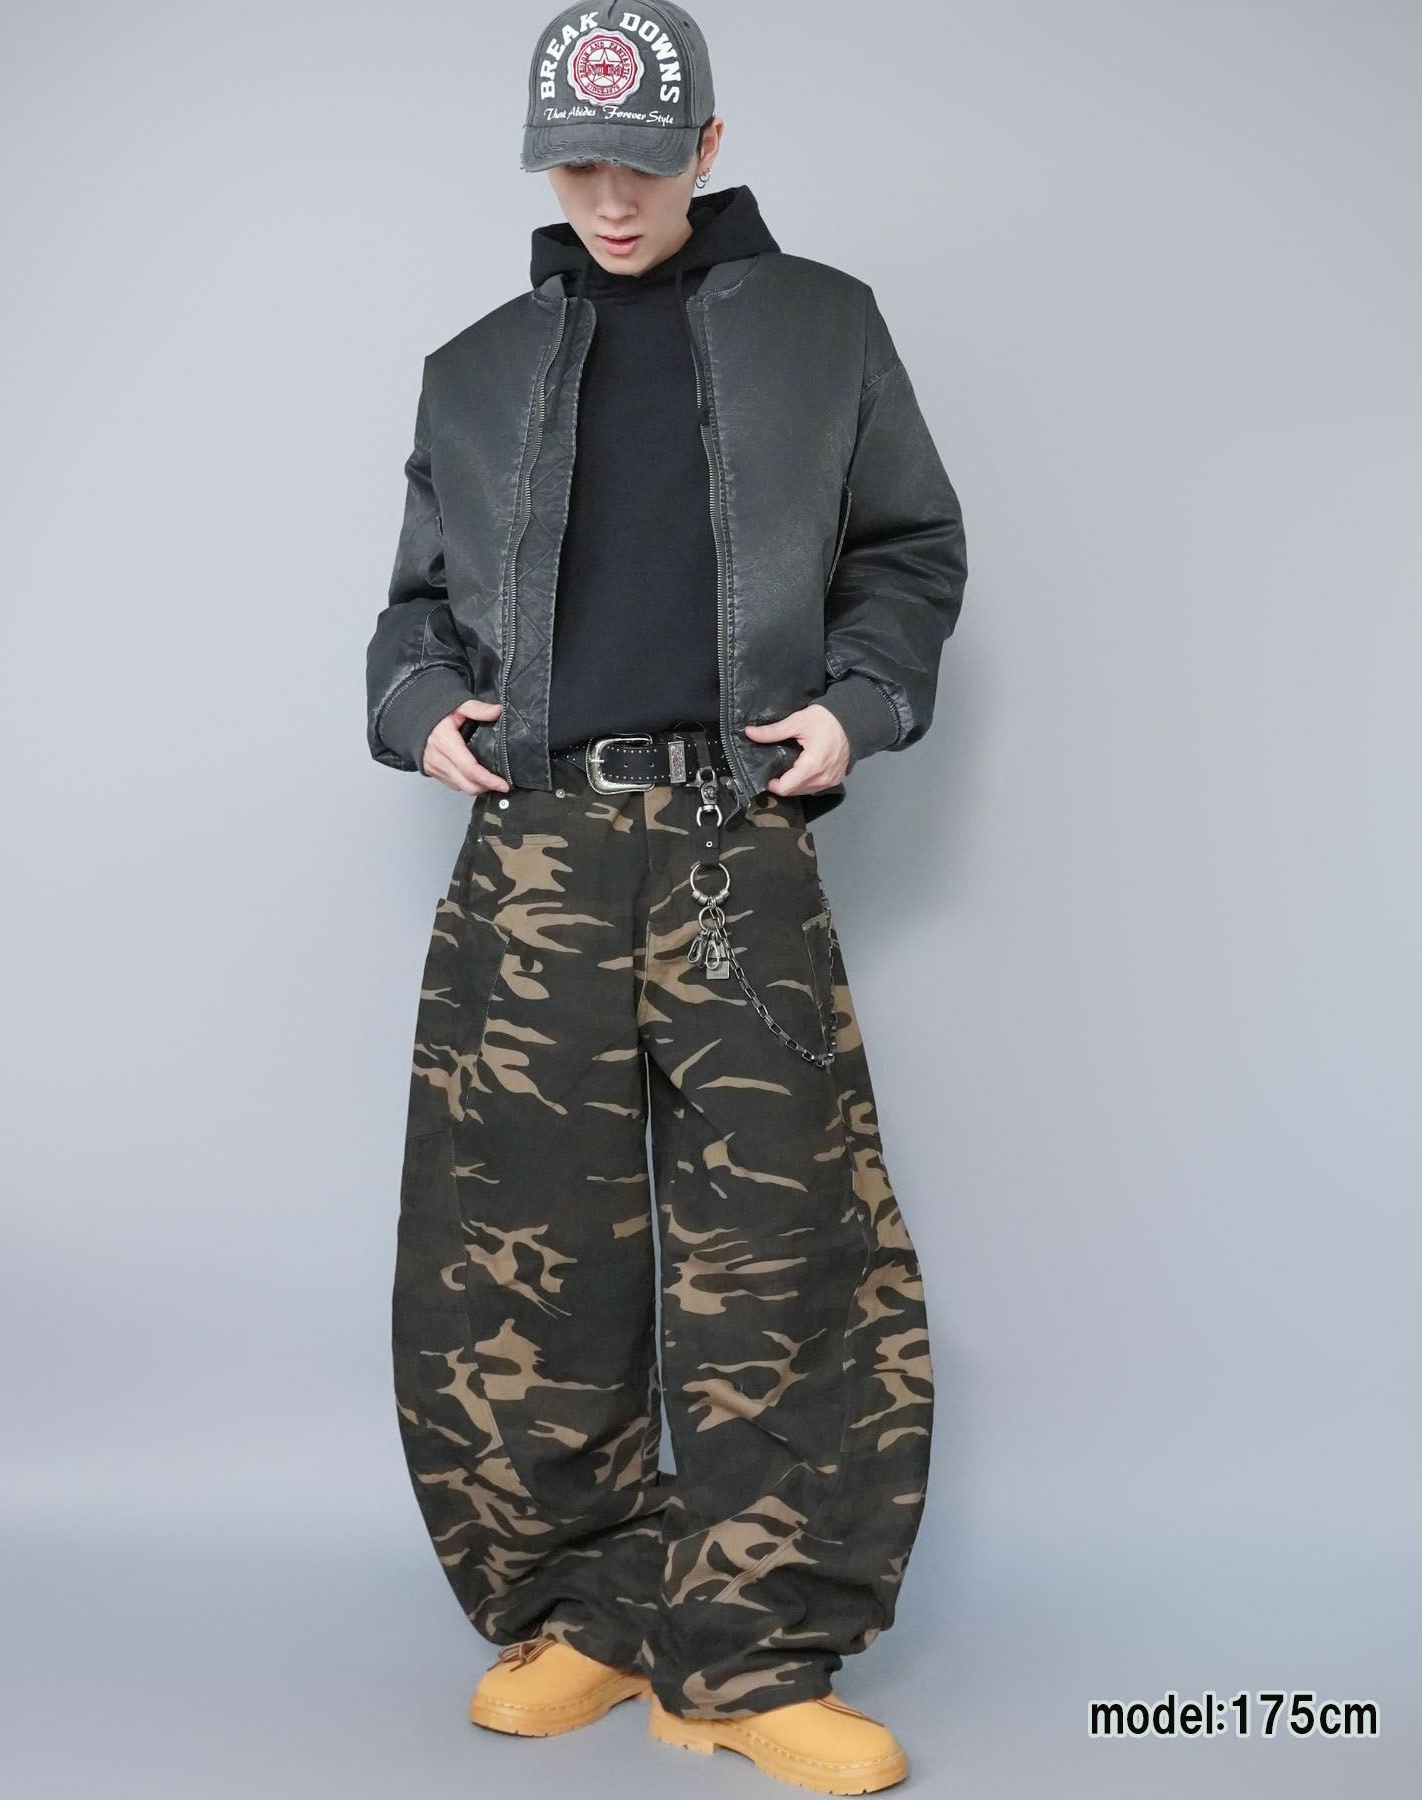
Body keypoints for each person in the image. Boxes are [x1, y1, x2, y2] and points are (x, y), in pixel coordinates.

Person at [365, 6, 967, 1792]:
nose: (610, 201)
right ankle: (588, 1613)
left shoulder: (825, 329)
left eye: (640, 163)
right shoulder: (475, 366)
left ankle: (758, 1651)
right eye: (577, 167)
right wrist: (418, 709)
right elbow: (413, 607)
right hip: (536, 845)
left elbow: (910, 550)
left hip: (733, 840)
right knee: (515, 1246)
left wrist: (858, 706)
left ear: (707, 145)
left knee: (784, 1245)